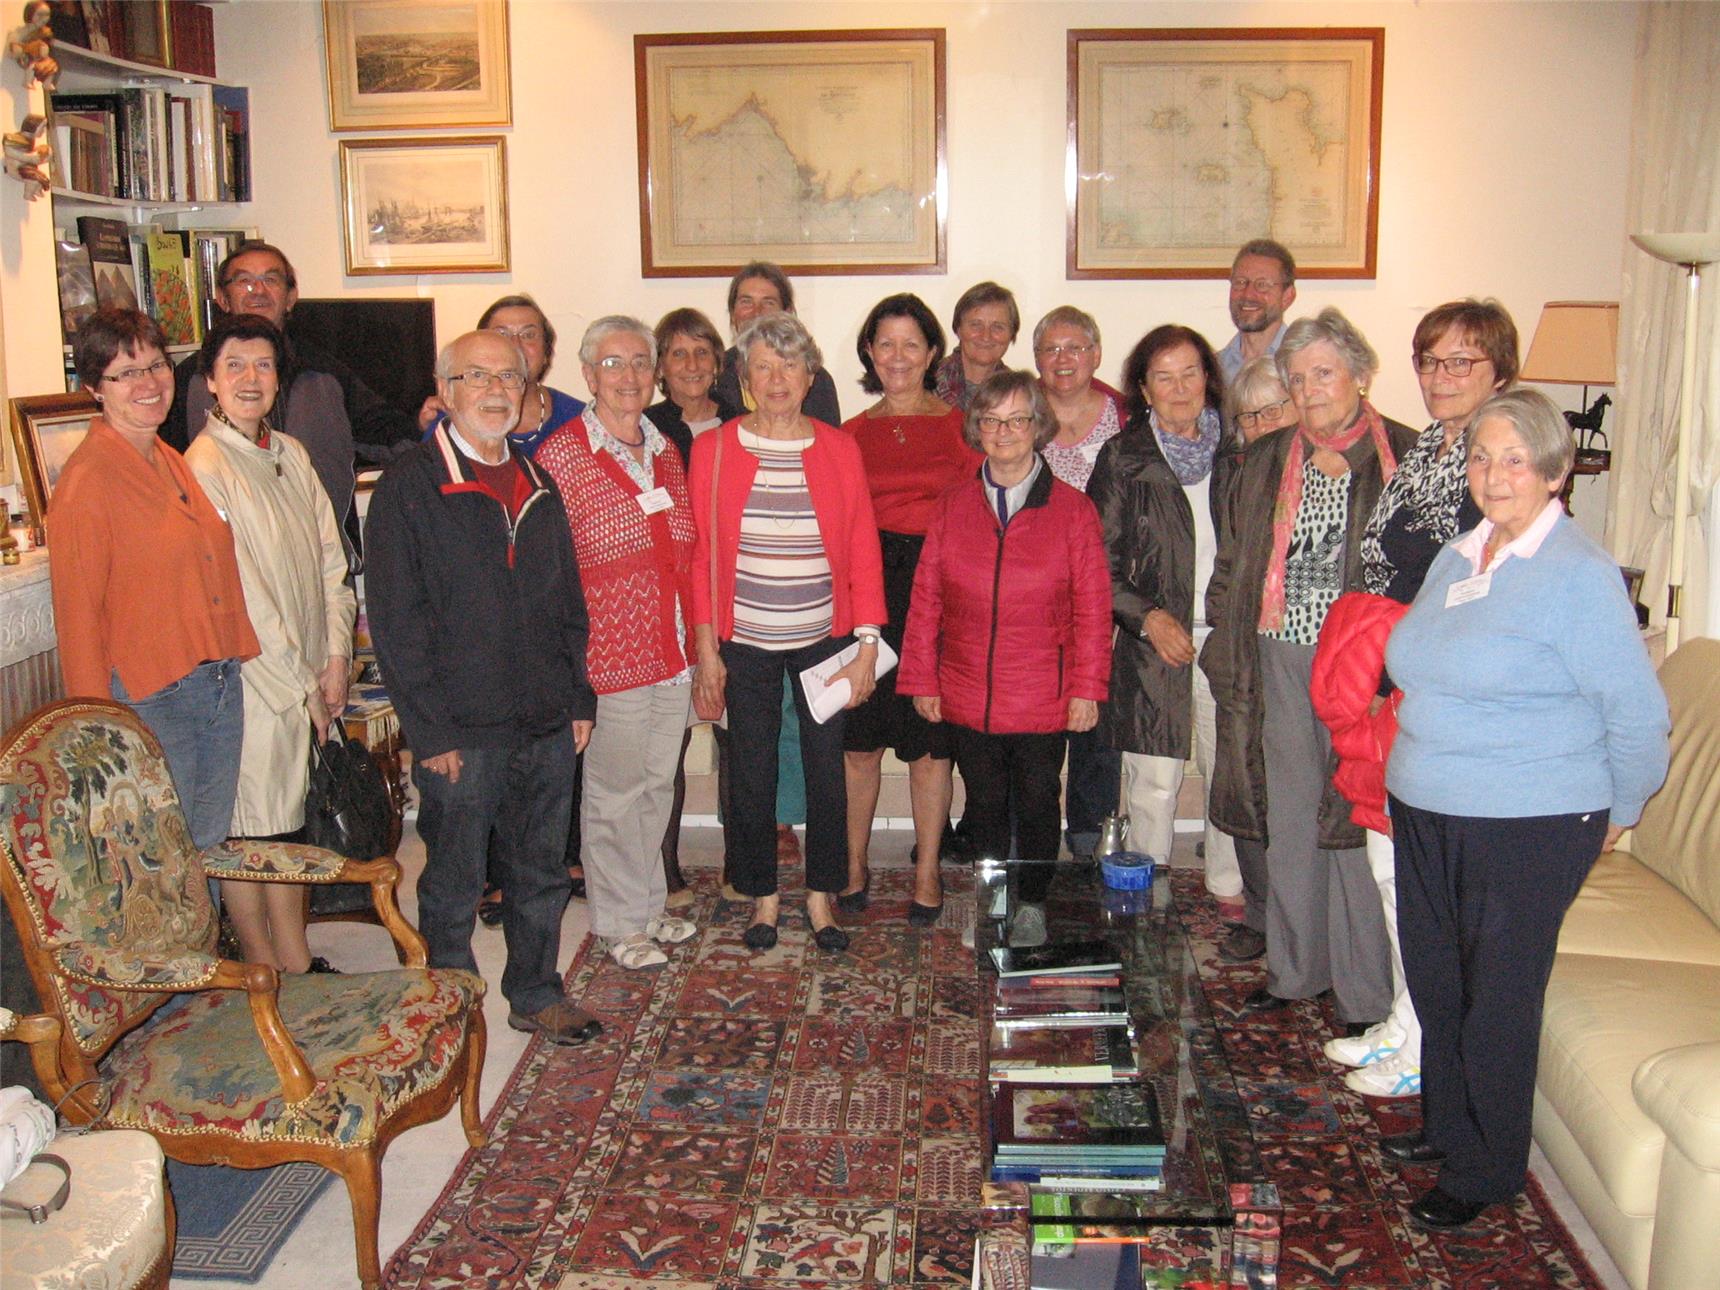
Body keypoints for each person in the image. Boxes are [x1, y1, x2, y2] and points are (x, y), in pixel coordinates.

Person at [1380, 388, 1668, 1230]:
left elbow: (1637, 712)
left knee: (1497, 999)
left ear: (1554, 469)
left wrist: (1622, 809)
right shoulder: (1460, 553)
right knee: (1438, 980)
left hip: (1529, 819)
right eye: (1481, 457)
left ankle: (1486, 1167)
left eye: (1514, 459)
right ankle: (1448, 1125)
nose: (1494, 474)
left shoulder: (1577, 574)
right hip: (1428, 805)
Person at [364, 330, 601, 1045]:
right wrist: (430, 731)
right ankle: (448, 1008)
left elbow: (567, 600)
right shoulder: (410, 485)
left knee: (541, 872)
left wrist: (578, 698)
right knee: (454, 881)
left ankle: (536, 992)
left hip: (545, 719)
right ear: (445, 391)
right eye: (477, 376)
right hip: (461, 729)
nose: (497, 391)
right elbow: (396, 622)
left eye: (510, 378)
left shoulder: (538, 481)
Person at [1318, 299, 1519, 1099]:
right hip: (1395, 677)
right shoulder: (1429, 448)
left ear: (1499, 371)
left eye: (1461, 361)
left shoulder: (1499, 457)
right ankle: (1406, 1022)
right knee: (1388, 864)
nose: (1441, 375)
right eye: (1430, 360)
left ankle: (1428, 1048)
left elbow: (1480, 581)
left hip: (1442, 690)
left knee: (1419, 881)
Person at [1202, 307, 1416, 1032]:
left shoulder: (1404, 456)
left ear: (1360, 374)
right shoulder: (1266, 457)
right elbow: (1234, 560)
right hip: (1279, 658)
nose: (1310, 390)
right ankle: (1295, 972)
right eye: (1297, 379)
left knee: (1357, 821)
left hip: (1367, 669)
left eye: (1324, 373)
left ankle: (1364, 994)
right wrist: (1223, 646)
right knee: (1289, 819)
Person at [689, 312, 885, 955]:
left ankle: (822, 897)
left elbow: (862, 547)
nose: (777, 379)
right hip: (745, 640)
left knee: (826, 771)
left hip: (823, 639)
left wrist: (866, 646)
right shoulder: (714, 450)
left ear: (810, 375)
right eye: (763, 367)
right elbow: (701, 556)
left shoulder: (839, 448)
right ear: (745, 378)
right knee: (751, 772)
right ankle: (764, 898)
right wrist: (707, 648)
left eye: (790, 365)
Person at [897, 371, 1112, 949]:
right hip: (967, 688)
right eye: (992, 420)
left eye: (1018, 419)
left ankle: (1033, 903)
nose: (1005, 431)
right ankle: (992, 902)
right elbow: (926, 599)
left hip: (1045, 691)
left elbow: (1094, 608)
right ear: (977, 428)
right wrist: (922, 678)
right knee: (984, 804)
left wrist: (1087, 688)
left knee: (1039, 801)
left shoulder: (1073, 511)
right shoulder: (952, 506)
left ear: (1037, 426)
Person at [49, 308, 260, 857]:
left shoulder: (169, 457)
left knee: (205, 852)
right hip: (153, 697)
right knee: (161, 862)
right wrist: (99, 731)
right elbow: (77, 616)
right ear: (94, 387)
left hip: (216, 680)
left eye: (156, 365)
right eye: (126, 373)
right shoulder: (88, 480)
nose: (148, 383)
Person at [184, 314, 354, 974]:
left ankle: (294, 958)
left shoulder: (290, 452)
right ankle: (267, 968)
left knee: (288, 819)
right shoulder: (205, 466)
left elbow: (330, 560)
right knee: (254, 828)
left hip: (308, 668)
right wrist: (302, 684)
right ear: (210, 381)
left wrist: (336, 658)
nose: (250, 379)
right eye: (235, 366)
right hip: (252, 681)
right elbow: (242, 593)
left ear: (279, 378)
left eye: (263, 365)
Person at [537, 317, 698, 970]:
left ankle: (648, 906)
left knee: (657, 786)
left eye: (639, 362)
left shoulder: (665, 448)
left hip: (672, 648)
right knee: (613, 795)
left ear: (654, 373)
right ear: (587, 375)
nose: (628, 376)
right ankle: (617, 923)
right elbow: (551, 571)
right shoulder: (563, 456)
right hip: (609, 656)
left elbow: (682, 551)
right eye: (612, 363)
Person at [840, 293, 981, 924]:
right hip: (866, 598)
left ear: (931, 353)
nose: (897, 356)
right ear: (870, 352)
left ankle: (927, 870)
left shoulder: (961, 428)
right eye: (885, 343)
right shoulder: (848, 434)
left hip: (936, 598)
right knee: (858, 745)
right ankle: (853, 865)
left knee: (930, 746)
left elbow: (979, 517)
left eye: (911, 344)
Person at [1087, 325, 1235, 898]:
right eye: (1164, 378)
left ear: (1208, 378)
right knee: (1152, 783)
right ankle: (1143, 892)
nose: (1179, 389)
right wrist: (1148, 618)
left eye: (1189, 373)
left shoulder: (1240, 451)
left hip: (1227, 640)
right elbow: (1097, 562)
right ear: (1144, 389)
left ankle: (1228, 887)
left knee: (1229, 774)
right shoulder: (1124, 456)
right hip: (1151, 642)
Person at [158, 241, 419, 563]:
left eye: (270, 279)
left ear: (291, 297)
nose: (258, 290)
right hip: (229, 565)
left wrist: (424, 423)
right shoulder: (191, 379)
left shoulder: (326, 374)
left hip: (322, 557)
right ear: (222, 299)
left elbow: (386, 431)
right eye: (244, 280)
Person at [710, 262, 834, 868]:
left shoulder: (827, 421)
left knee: (810, 744)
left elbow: (845, 523)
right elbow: (706, 544)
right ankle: (753, 868)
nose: (776, 378)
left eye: (769, 301)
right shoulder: (715, 423)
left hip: (816, 621)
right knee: (746, 747)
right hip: (744, 621)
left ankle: (805, 852)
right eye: (745, 300)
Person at [648, 306, 742, 907]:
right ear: (660, 365)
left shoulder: (741, 424)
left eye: (701, 352)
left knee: (740, 744)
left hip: (736, 598)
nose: (690, 364)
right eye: (677, 353)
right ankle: (668, 872)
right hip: (668, 604)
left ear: (718, 363)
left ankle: (741, 864)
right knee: (668, 746)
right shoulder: (645, 427)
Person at [1208, 355, 1297, 966]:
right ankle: (1260, 915)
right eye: (1249, 416)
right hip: (1241, 649)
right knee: (1242, 785)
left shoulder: (1318, 470)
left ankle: (1297, 925)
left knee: (1291, 791)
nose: (1261, 425)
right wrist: (1221, 624)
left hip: (1296, 653)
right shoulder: (1237, 473)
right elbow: (1228, 559)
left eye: (1273, 411)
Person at [1033, 305, 1125, 861]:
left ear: (1096, 354)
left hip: (1108, 594)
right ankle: (1034, 842)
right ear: (1036, 359)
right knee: (1038, 728)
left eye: (1075, 347)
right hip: (1036, 601)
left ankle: (1090, 836)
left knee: (1097, 724)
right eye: (1051, 349)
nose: (1063, 358)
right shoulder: (1019, 416)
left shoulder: (1125, 418)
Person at [712, 261, 841, 426]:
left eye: (768, 302)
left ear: (787, 312)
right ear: (732, 313)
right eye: (746, 302)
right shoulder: (715, 374)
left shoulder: (815, 379)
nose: (756, 312)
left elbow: (826, 437)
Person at [1217, 239, 1297, 382]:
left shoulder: (1302, 363)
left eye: (1262, 285)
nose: (1248, 294)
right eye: (1240, 282)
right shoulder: (1214, 370)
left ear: (1287, 297)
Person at [935, 281, 1020, 409]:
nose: (986, 336)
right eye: (975, 325)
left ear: (1011, 333)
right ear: (958, 329)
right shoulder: (927, 383)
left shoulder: (1018, 393)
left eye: (998, 327)